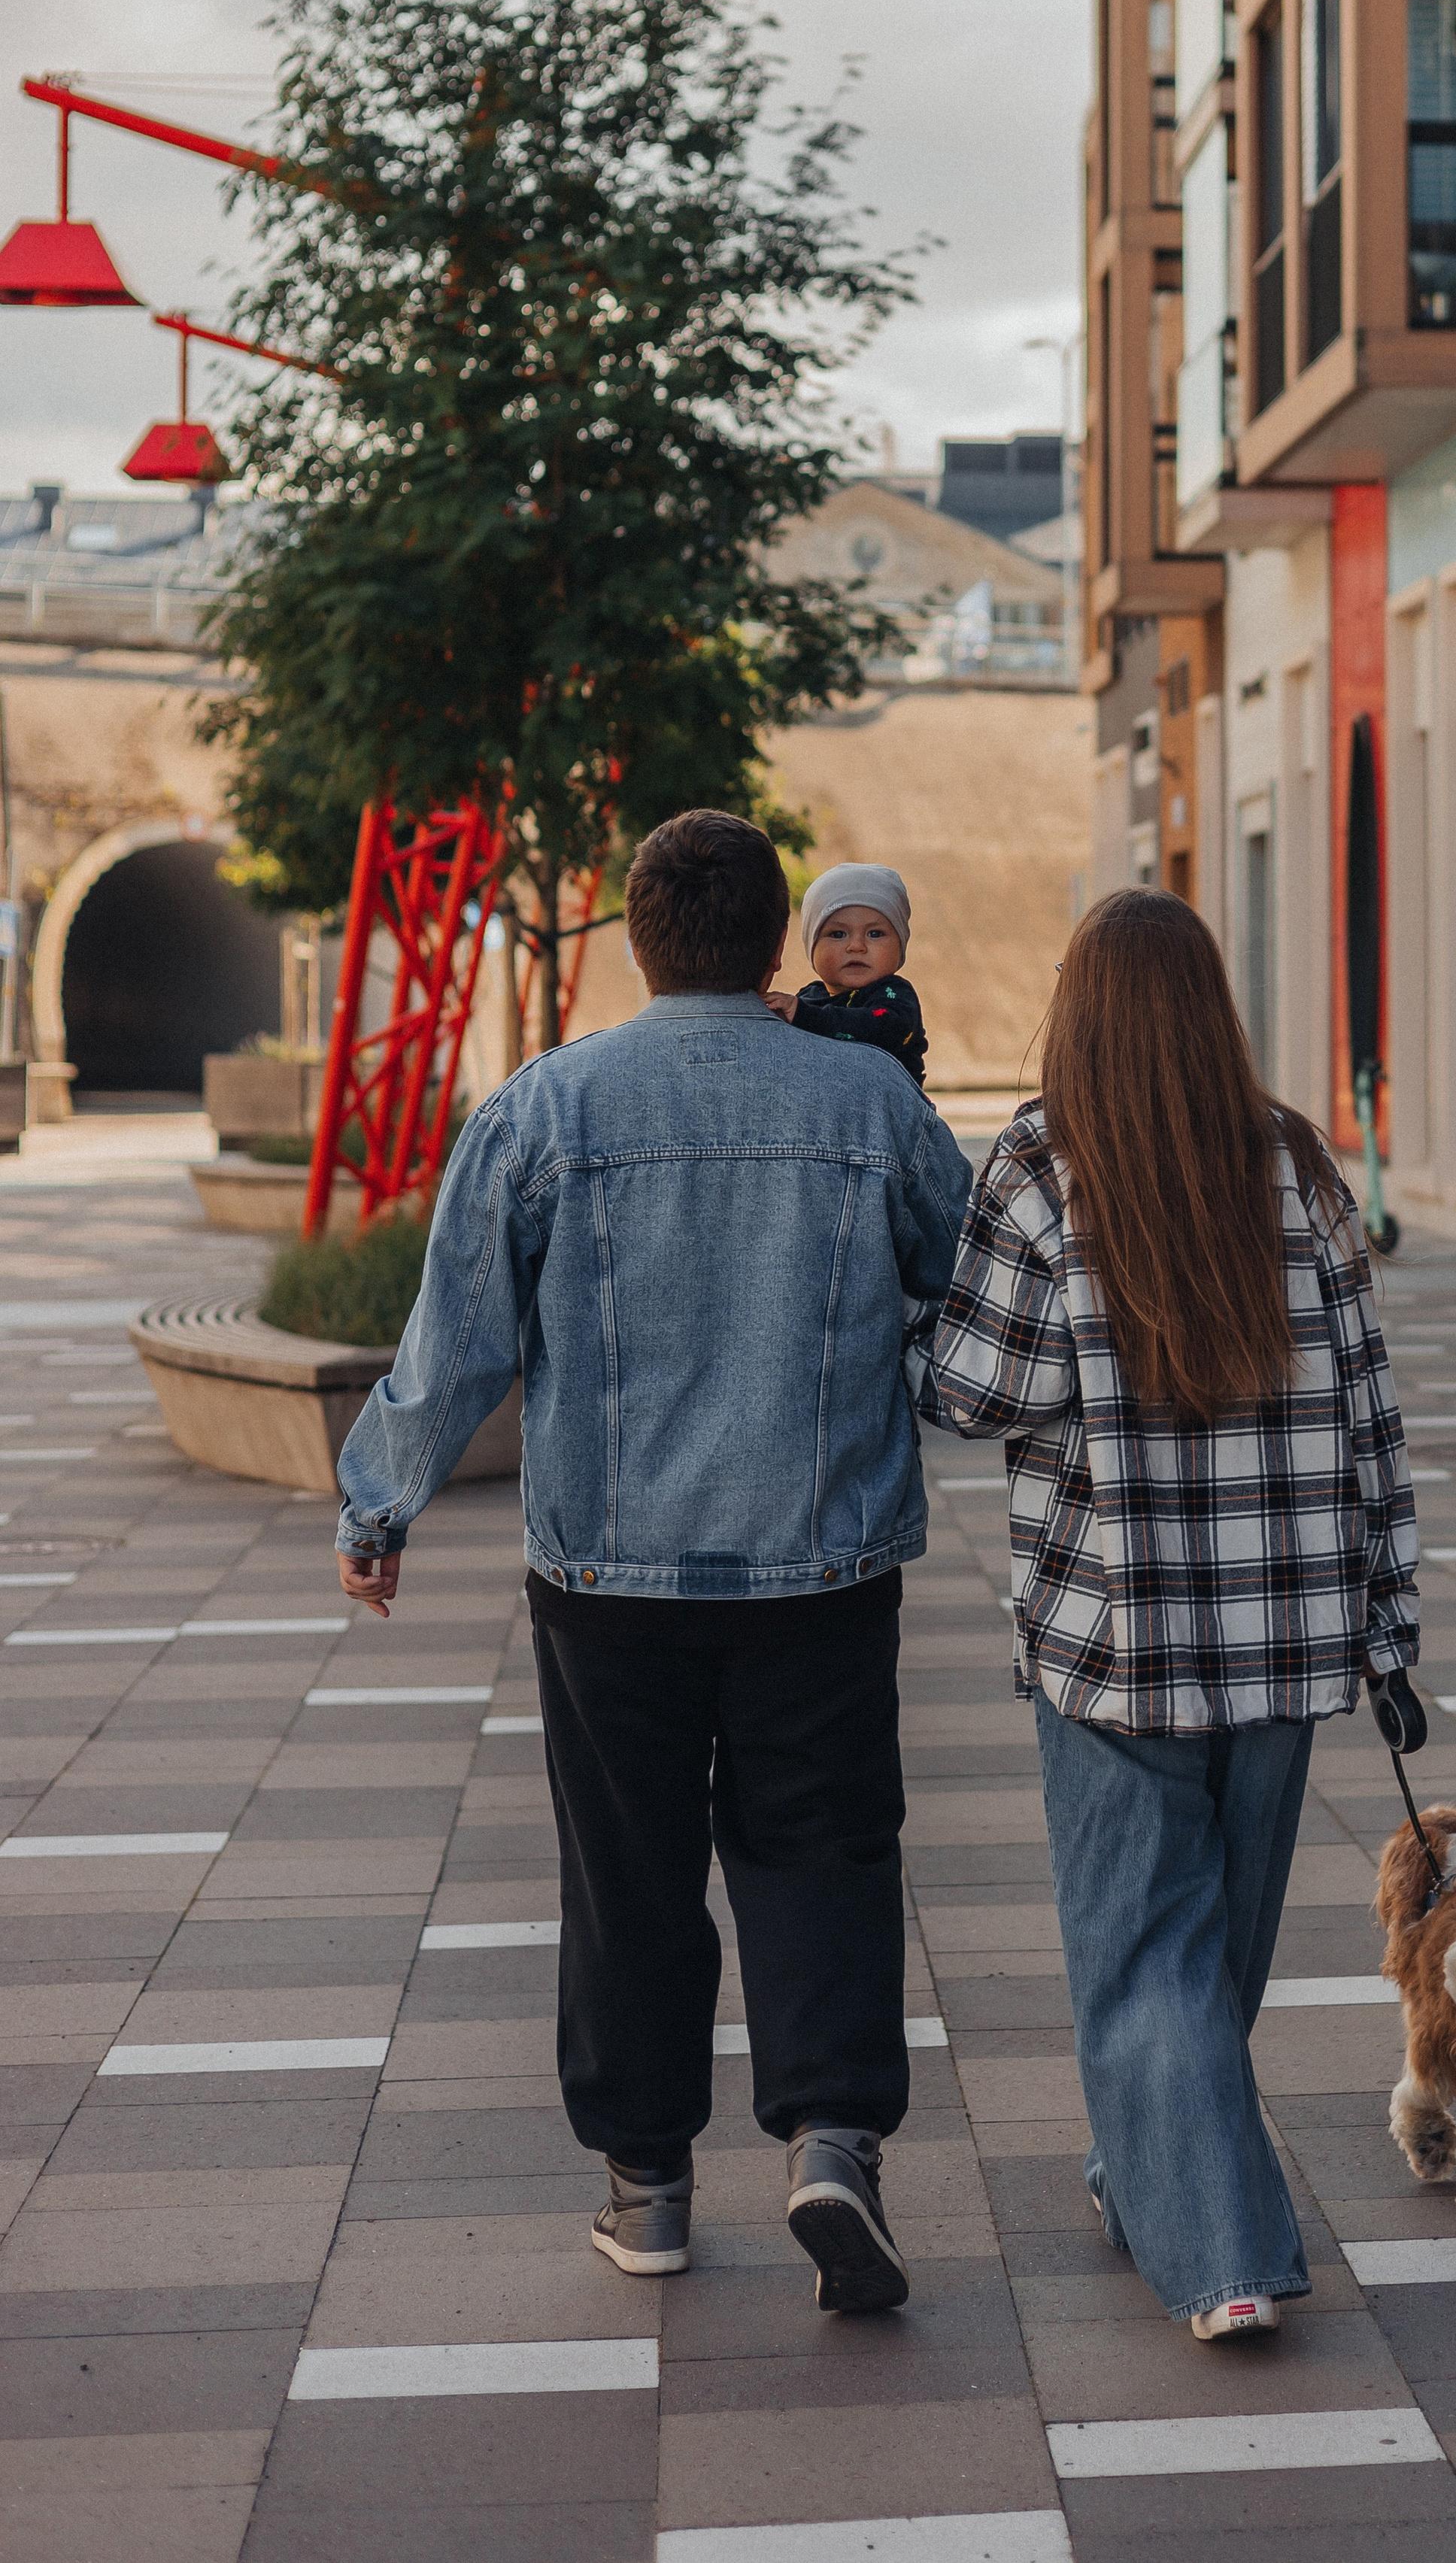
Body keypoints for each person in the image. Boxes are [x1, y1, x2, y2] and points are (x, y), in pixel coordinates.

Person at [334, 809, 972, 2314]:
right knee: (823, 1846)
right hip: (822, 1565)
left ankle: (649, 2180)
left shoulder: (545, 1107)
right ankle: (831, 2138)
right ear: (776, 941)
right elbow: (975, 1287)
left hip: (607, 1580)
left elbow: (456, 1339)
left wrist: (380, 1504)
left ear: (637, 937)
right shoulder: (871, 1101)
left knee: (626, 1870)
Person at [927, 887, 1418, 2340]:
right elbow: (1372, 1409)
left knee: (1149, 1951)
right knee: (1217, 1950)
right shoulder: (1295, 1163)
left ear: (1079, 1011)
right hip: (1286, 1633)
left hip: (1118, 1633)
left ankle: (1223, 2259)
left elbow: (975, 1390)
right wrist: (1389, 1614)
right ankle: (1147, 2174)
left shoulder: (1038, 1162)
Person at [766, 862, 928, 1085]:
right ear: (812, 947)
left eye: (875, 933)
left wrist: (804, 1016)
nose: (857, 946)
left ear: (900, 945)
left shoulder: (894, 995)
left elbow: (883, 1028)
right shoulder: (809, 997)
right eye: (838, 934)